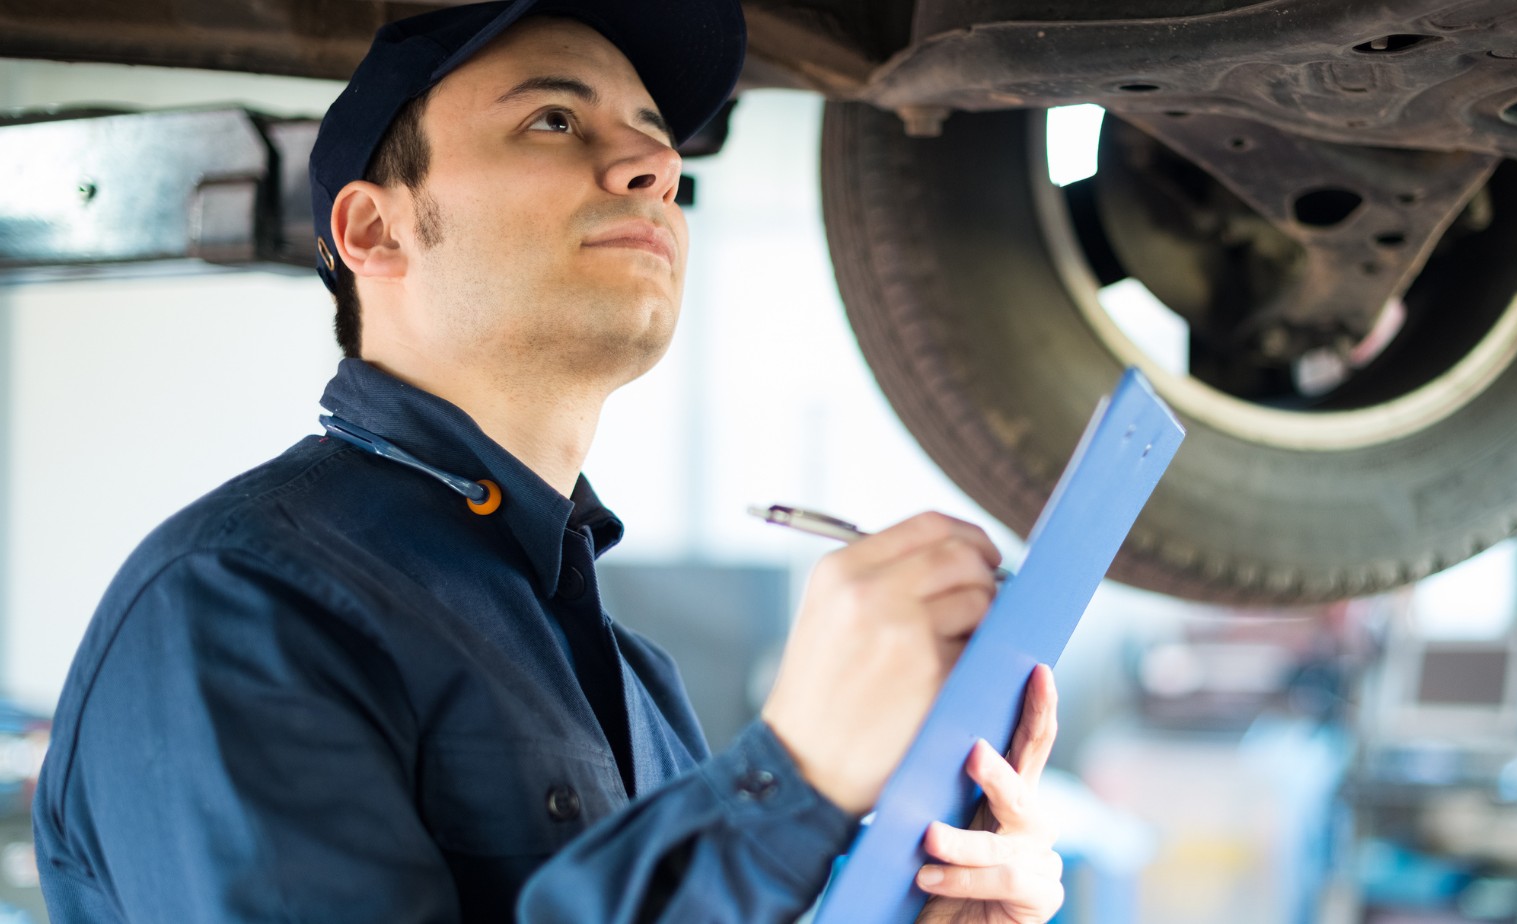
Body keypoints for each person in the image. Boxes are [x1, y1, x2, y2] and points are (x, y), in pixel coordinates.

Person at [31, 1, 1066, 921]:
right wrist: (787, 782)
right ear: (374, 228)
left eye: (659, 143)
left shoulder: (634, 682)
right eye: (555, 120)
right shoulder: (233, 603)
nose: (653, 167)